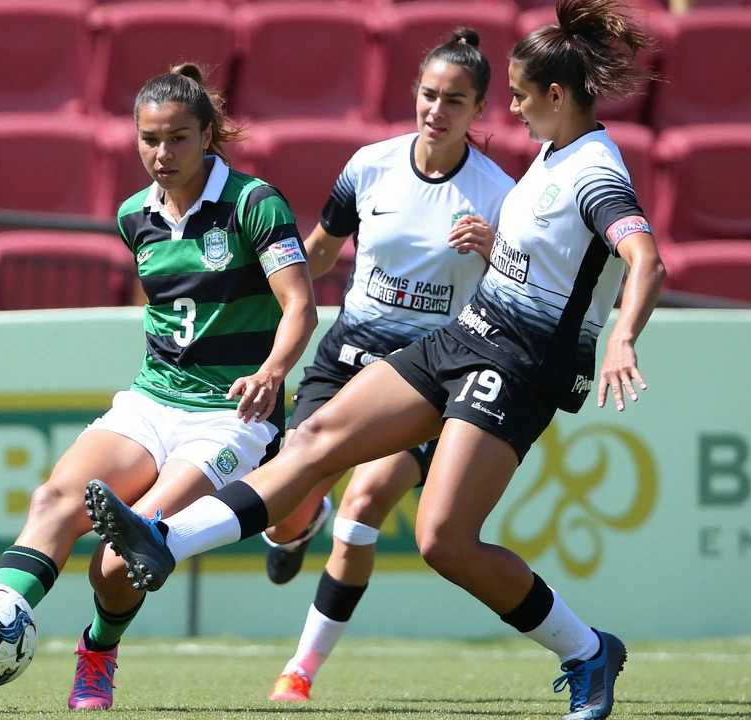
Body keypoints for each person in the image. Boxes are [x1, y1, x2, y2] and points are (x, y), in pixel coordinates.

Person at [85, 0, 663, 717]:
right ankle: (163, 538)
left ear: (554, 96)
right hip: (465, 336)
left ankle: (586, 650)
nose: (508, 108)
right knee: (317, 440)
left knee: (443, 541)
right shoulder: (551, 153)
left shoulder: (594, 170)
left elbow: (644, 257)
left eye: (513, 95)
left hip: (518, 367)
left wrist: (625, 337)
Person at [0, 62, 318, 710]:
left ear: (208, 134)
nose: (162, 154)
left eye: (179, 138)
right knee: (52, 499)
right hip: (154, 401)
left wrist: (273, 372)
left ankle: (97, 656)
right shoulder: (136, 215)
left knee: (117, 562)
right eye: (149, 139)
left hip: (228, 416)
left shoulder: (253, 203)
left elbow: (299, 305)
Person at [244, 29, 517, 703]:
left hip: (430, 377)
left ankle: (299, 673)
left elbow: (526, 290)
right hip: (346, 360)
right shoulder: (369, 166)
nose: (437, 110)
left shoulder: (500, 195)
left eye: (456, 100)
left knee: (365, 506)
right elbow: (321, 251)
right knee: (282, 515)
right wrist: (266, 297)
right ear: (414, 95)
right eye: (429, 95)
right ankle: (300, 521)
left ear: (480, 110)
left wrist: (497, 251)